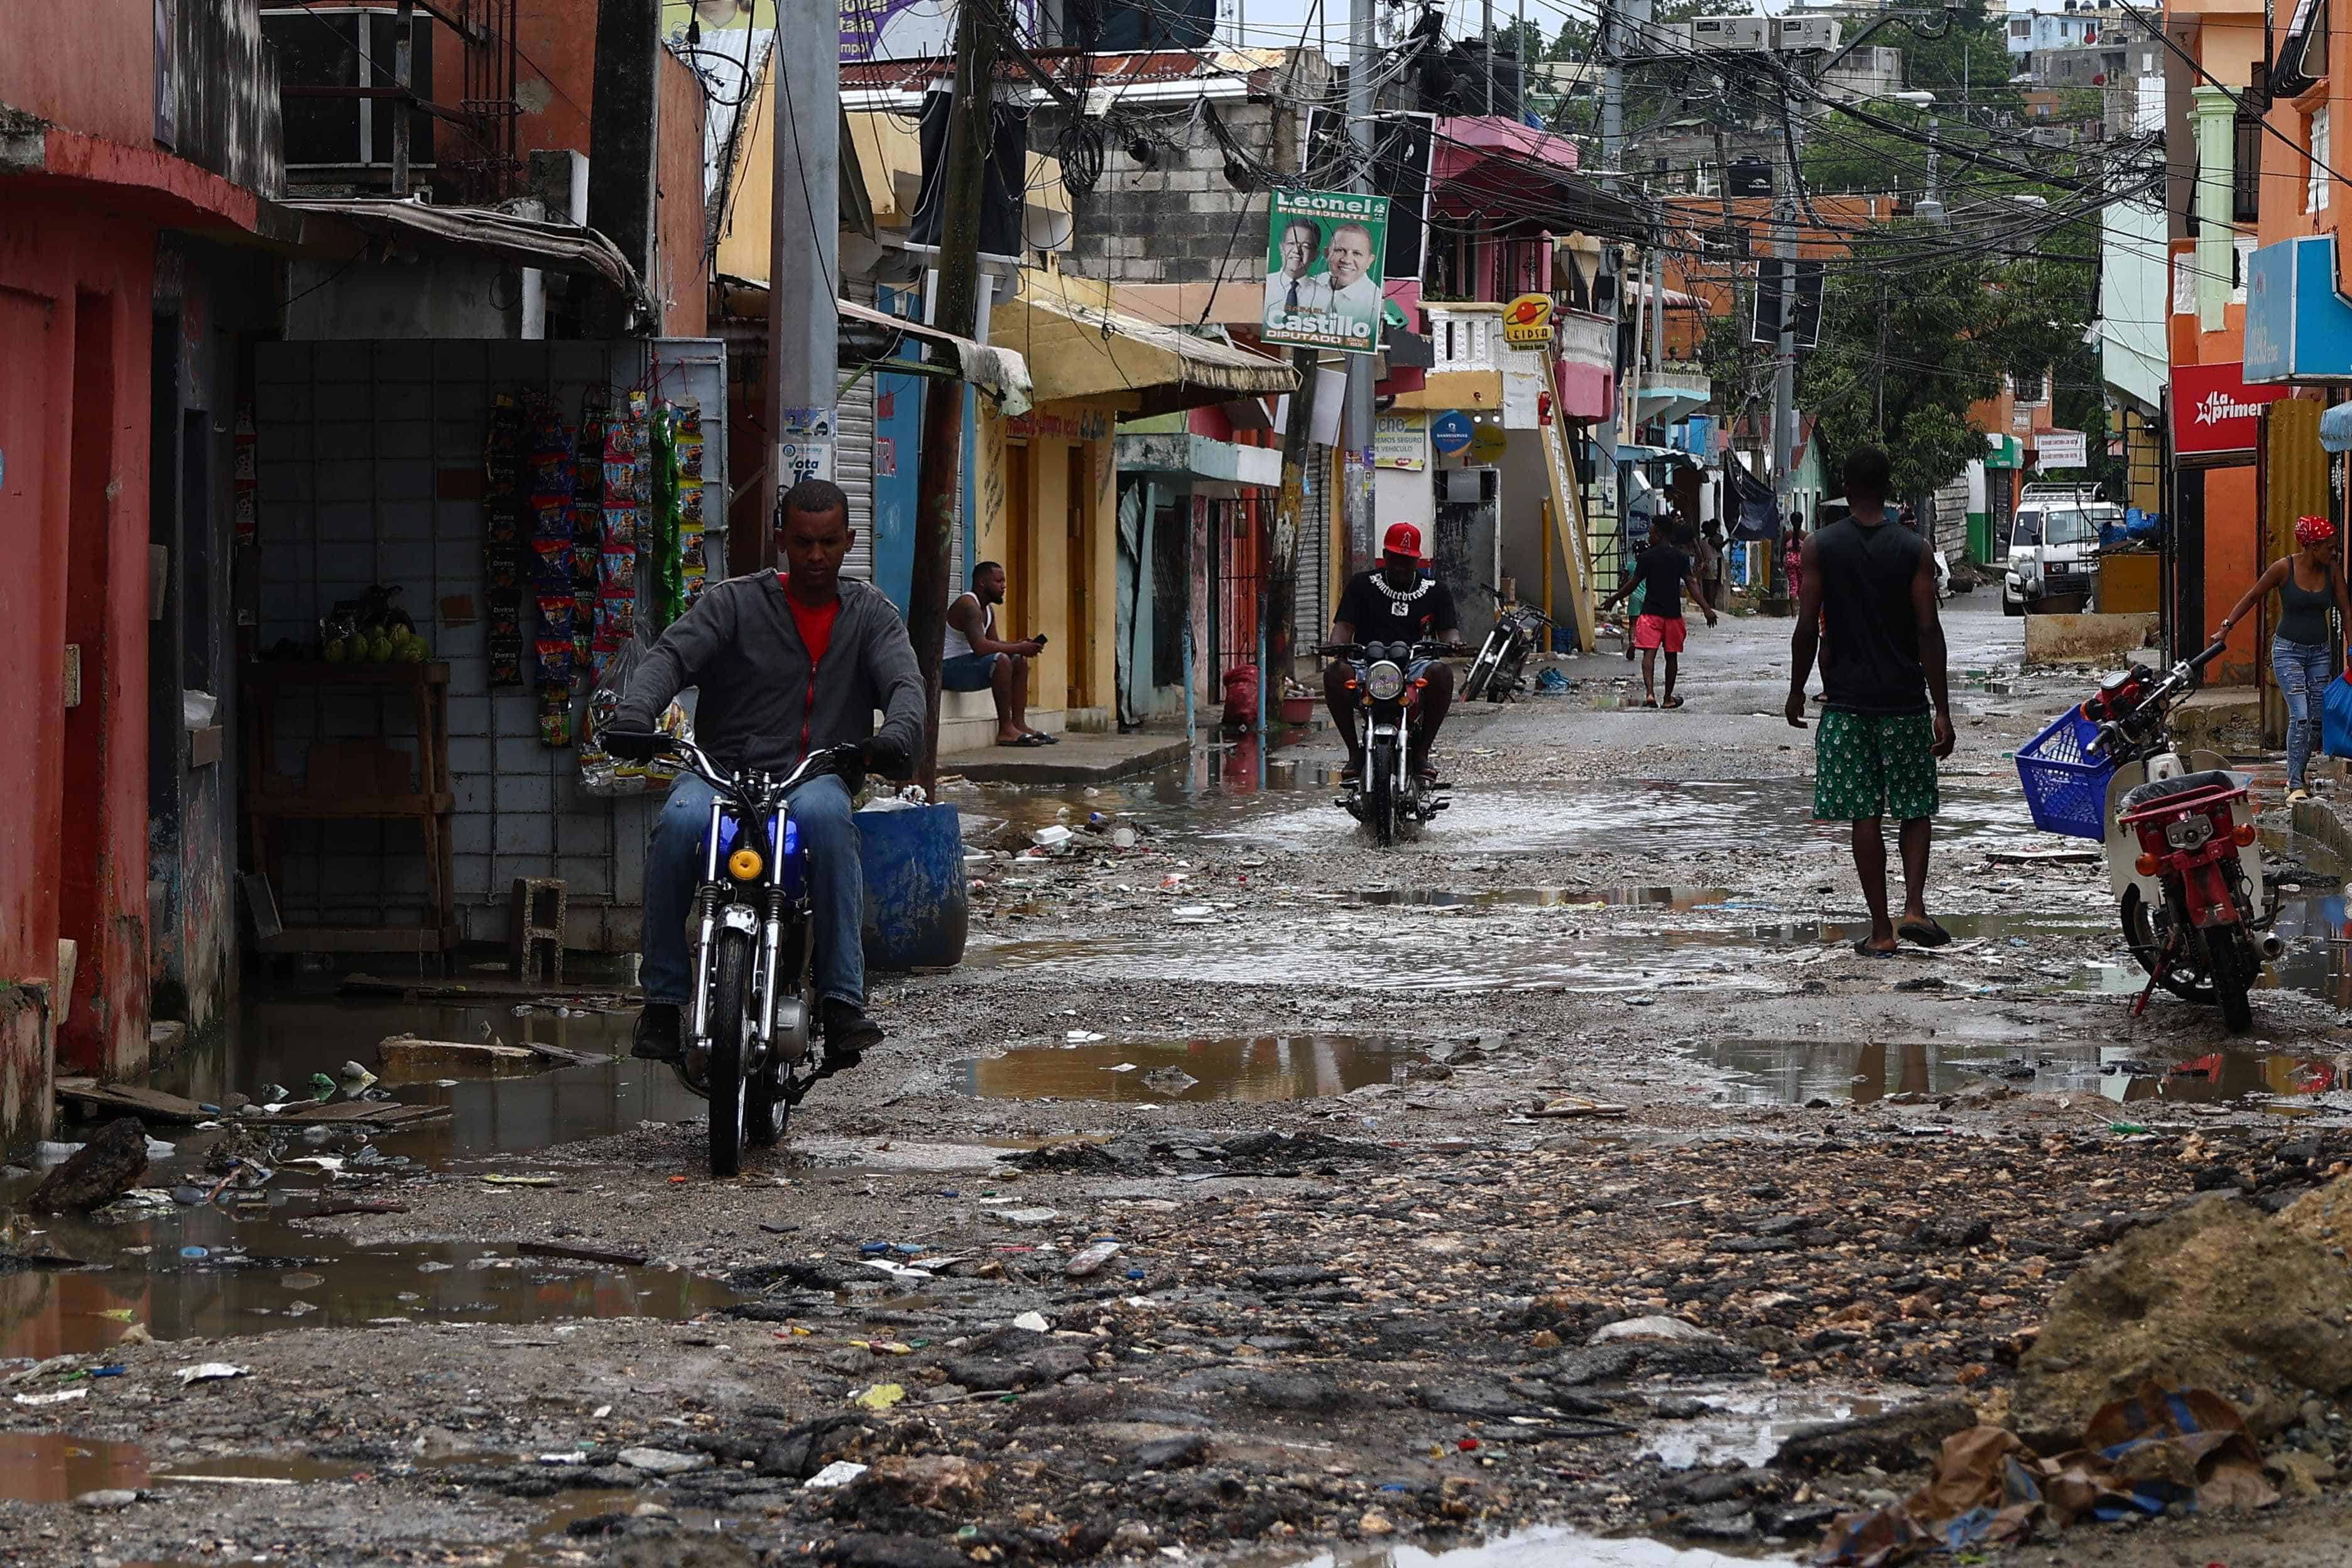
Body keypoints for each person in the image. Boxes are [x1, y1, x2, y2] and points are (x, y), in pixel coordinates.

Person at [608, 479, 924, 1069]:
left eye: (829, 542)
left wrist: (895, 738)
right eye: (803, 542)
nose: (815, 556)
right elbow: (670, 656)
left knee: (830, 823)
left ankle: (841, 1001)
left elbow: (905, 684)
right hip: (722, 772)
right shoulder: (734, 602)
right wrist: (634, 714)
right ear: (782, 540)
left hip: (814, 774)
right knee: (677, 823)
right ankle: (664, 1002)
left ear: (850, 540)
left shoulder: (871, 615)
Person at [1785, 446, 1955, 957]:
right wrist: (1942, 709)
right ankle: (1915, 907)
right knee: (1915, 807)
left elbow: (1806, 628)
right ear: (1887, 488)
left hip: (1847, 704)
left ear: (1846, 487)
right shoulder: (1915, 549)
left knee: (1865, 815)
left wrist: (1796, 690)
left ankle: (1881, 932)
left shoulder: (1820, 547)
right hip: (1905, 702)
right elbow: (1929, 630)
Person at [2213, 513, 2352, 803]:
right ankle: (2295, 784)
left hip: (2320, 653)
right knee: (2300, 716)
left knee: (2316, 720)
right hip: (2288, 651)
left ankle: (2296, 777)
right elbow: (2253, 596)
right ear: (2312, 546)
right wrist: (2226, 627)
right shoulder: (2284, 568)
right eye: (2329, 547)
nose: (2334, 552)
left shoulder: (2332, 571)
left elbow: (2346, 611)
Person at [1326, 521, 1461, 785]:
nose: (1401, 565)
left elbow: (1449, 633)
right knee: (1334, 673)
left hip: (1415, 665)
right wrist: (1336, 646)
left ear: (1417, 560)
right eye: (1396, 558)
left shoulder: (1436, 590)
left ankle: (1422, 753)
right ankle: (1354, 753)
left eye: (1407, 560)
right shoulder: (1361, 584)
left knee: (1442, 673)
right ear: (1385, 555)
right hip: (1367, 664)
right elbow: (1343, 628)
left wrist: (1454, 644)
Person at [1600, 521, 1716, 708]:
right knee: (1671, 657)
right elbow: (1691, 584)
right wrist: (1706, 608)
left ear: (1660, 535)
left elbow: (1632, 584)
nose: (1649, 536)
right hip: (1672, 615)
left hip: (1650, 614)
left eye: (1652, 533)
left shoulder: (1646, 557)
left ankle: (1650, 695)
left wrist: (1615, 598)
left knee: (1649, 654)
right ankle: (1668, 698)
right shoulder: (1680, 557)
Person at [942, 560, 1055, 748]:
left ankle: (1019, 724)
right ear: (982, 583)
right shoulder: (969, 606)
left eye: (1004, 581)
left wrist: (1020, 646)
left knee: (1018, 660)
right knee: (1001, 660)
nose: (1004, 586)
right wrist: (1018, 647)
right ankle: (1005, 730)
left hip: (969, 665)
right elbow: (981, 647)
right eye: (998, 581)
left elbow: (994, 643)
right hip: (948, 669)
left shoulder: (988, 609)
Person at [1263, 217, 1329, 325]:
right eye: (1291, 243)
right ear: (1281, 248)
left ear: (1315, 255)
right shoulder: (1266, 285)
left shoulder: (1326, 297)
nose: (1297, 251)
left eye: (1305, 246)